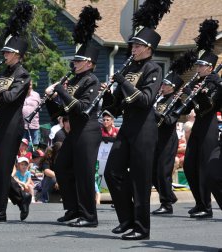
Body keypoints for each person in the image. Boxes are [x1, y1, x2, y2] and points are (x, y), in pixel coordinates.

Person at [44, 6, 102, 228]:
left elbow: (81, 107)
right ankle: (72, 209)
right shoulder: (75, 81)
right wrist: (50, 99)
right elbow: (62, 113)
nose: (74, 64)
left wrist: (61, 91)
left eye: (78, 61)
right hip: (74, 130)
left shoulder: (92, 81)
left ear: (88, 63)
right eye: (74, 61)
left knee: (84, 174)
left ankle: (89, 216)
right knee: (61, 166)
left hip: (88, 131)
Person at [103, 27, 162, 240]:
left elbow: (146, 100)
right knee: (112, 171)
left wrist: (123, 82)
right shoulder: (129, 69)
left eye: (137, 46)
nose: (133, 49)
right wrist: (108, 94)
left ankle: (141, 228)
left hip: (144, 129)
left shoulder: (154, 68)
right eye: (133, 45)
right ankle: (127, 218)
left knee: (140, 180)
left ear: (148, 48)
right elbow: (117, 107)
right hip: (127, 126)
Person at [0, 1, 34, 222]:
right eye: (4, 51)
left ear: (18, 54)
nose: (4, 55)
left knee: (2, 167)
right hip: (1, 122)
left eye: (8, 52)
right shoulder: (5, 72)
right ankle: (21, 198)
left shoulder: (23, 75)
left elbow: (10, 98)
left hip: (13, 125)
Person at [180, 49, 221, 219]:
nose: (197, 68)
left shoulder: (214, 82)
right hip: (197, 127)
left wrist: (198, 94)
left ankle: (207, 206)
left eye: (201, 66)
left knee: (204, 167)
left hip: (209, 127)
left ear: (210, 68)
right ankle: (199, 202)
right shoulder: (200, 81)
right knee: (189, 165)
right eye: (197, 65)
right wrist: (187, 93)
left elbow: (208, 106)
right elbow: (189, 108)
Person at [151, 72, 184, 215]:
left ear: (172, 87)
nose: (162, 86)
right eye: (162, 84)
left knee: (163, 172)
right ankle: (169, 196)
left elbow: (170, 120)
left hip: (168, 140)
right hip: (155, 138)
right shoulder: (159, 99)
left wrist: (153, 111)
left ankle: (166, 204)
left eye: (165, 84)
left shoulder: (176, 101)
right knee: (153, 172)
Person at [22, 80, 41, 148]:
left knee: (34, 147)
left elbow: (40, 107)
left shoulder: (36, 95)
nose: (30, 86)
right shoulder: (21, 95)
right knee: (23, 148)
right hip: (23, 126)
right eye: (28, 85)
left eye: (30, 85)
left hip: (34, 125)